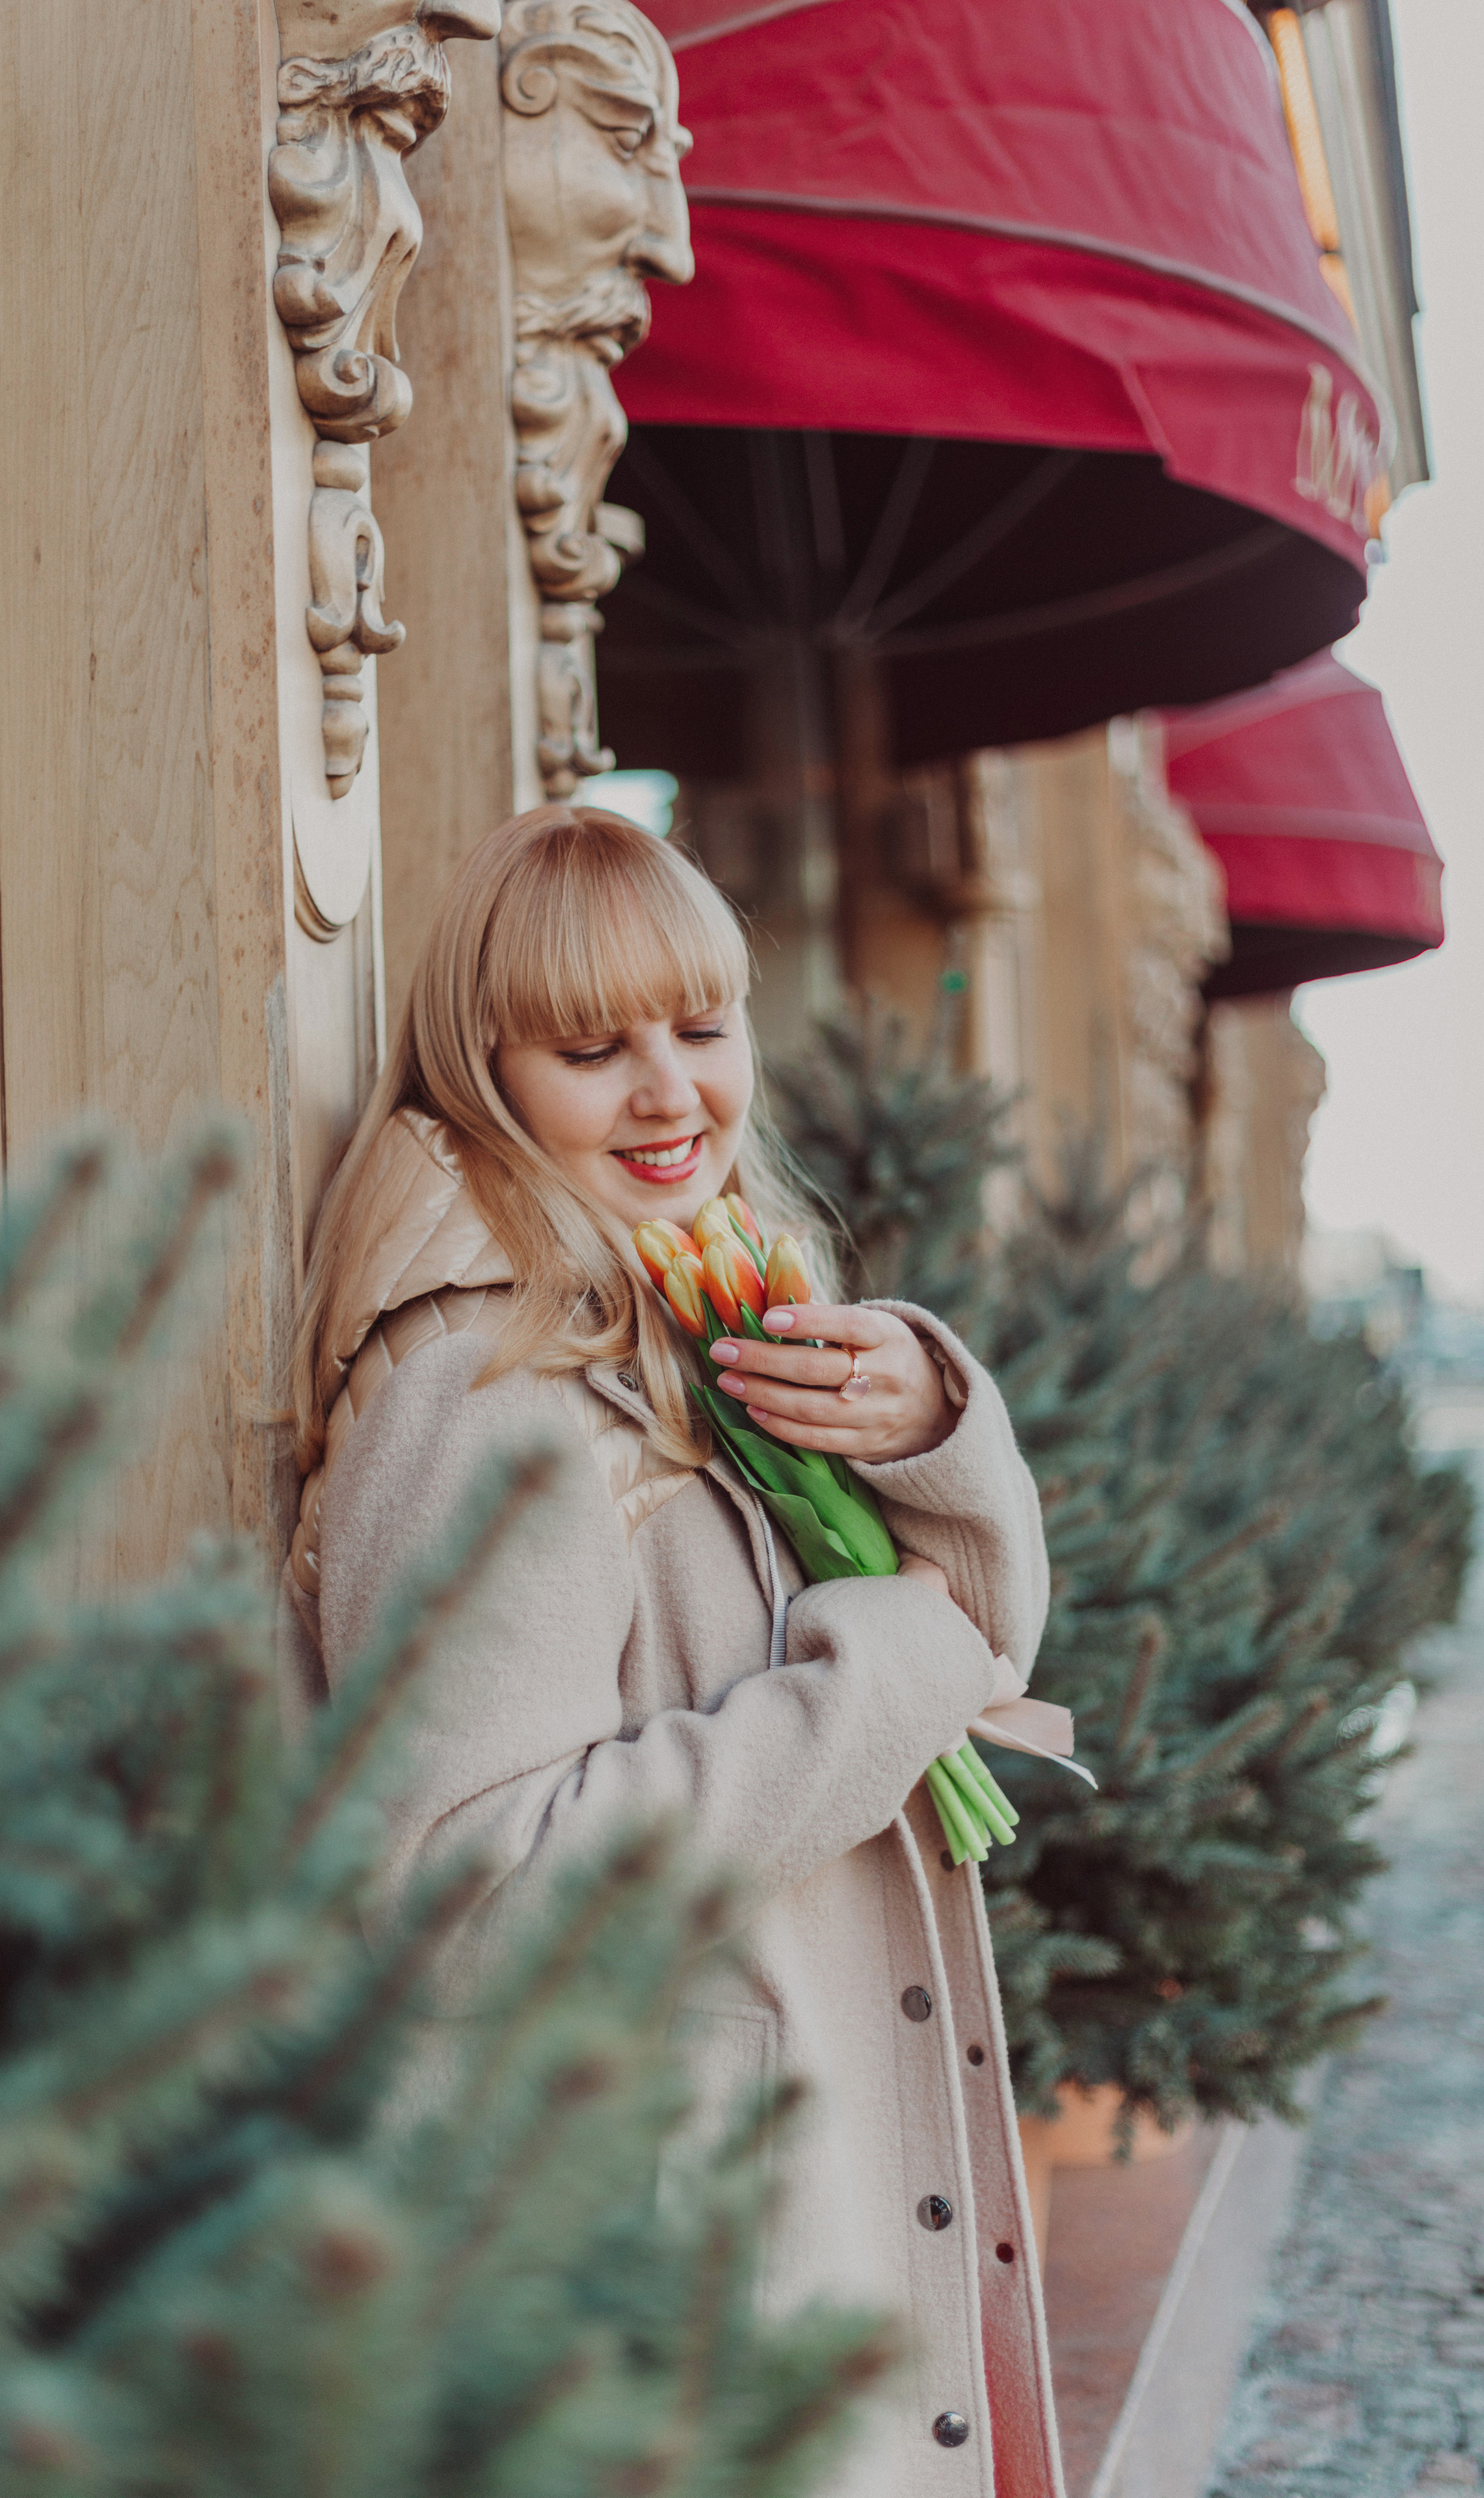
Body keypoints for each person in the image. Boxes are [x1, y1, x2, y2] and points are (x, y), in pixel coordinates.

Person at [283, 804, 1063, 2498]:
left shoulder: (695, 1306)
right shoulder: (486, 1384)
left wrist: (935, 1425)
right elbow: (473, 1885)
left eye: (703, 1029)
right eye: (590, 1048)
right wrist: (886, 1681)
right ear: (484, 1068)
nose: (669, 1093)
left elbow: (982, 1633)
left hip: (780, 2196)